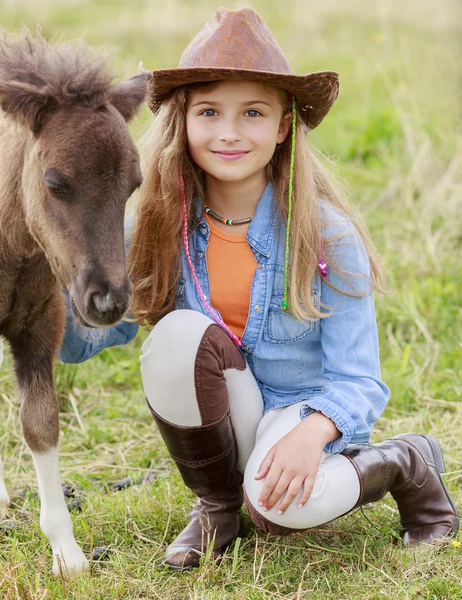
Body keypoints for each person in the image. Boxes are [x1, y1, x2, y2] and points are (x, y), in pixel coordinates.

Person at [60, 7, 458, 571]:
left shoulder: (326, 236)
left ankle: (405, 461)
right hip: (227, 412)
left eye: (252, 112)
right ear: (182, 121)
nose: (228, 132)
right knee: (176, 335)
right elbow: (88, 338)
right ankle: (218, 506)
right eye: (209, 111)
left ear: (283, 126)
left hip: (303, 415)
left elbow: (360, 380)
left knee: (282, 512)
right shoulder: (154, 228)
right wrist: (37, 294)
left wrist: (310, 435)